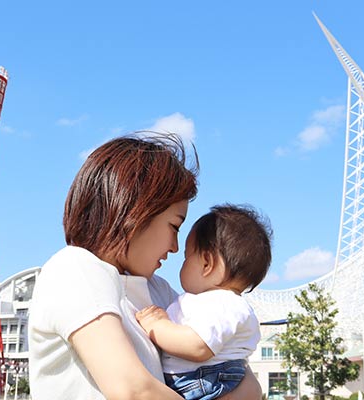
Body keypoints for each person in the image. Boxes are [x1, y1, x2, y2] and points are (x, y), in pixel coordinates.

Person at [28, 134, 262, 400]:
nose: (175, 247)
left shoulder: (158, 290)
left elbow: (244, 382)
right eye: (174, 225)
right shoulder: (76, 268)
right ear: (135, 211)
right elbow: (133, 390)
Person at [136, 204, 272, 399]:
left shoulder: (223, 304)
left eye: (186, 257)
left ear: (207, 264)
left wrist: (156, 325)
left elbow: (197, 346)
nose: (180, 260)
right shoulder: (214, 302)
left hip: (202, 382)